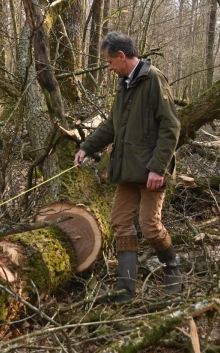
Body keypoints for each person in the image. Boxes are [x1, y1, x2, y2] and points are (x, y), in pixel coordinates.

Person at [74, 31, 181, 302]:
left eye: (110, 61)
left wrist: (158, 167)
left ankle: (173, 270)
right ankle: (126, 289)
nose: (108, 67)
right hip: (126, 169)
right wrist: (86, 147)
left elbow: (171, 126)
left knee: (149, 226)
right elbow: (112, 126)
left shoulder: (154, 79)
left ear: (121, 56)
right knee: (120, 222)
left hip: (151, 171)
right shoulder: (123, 85)